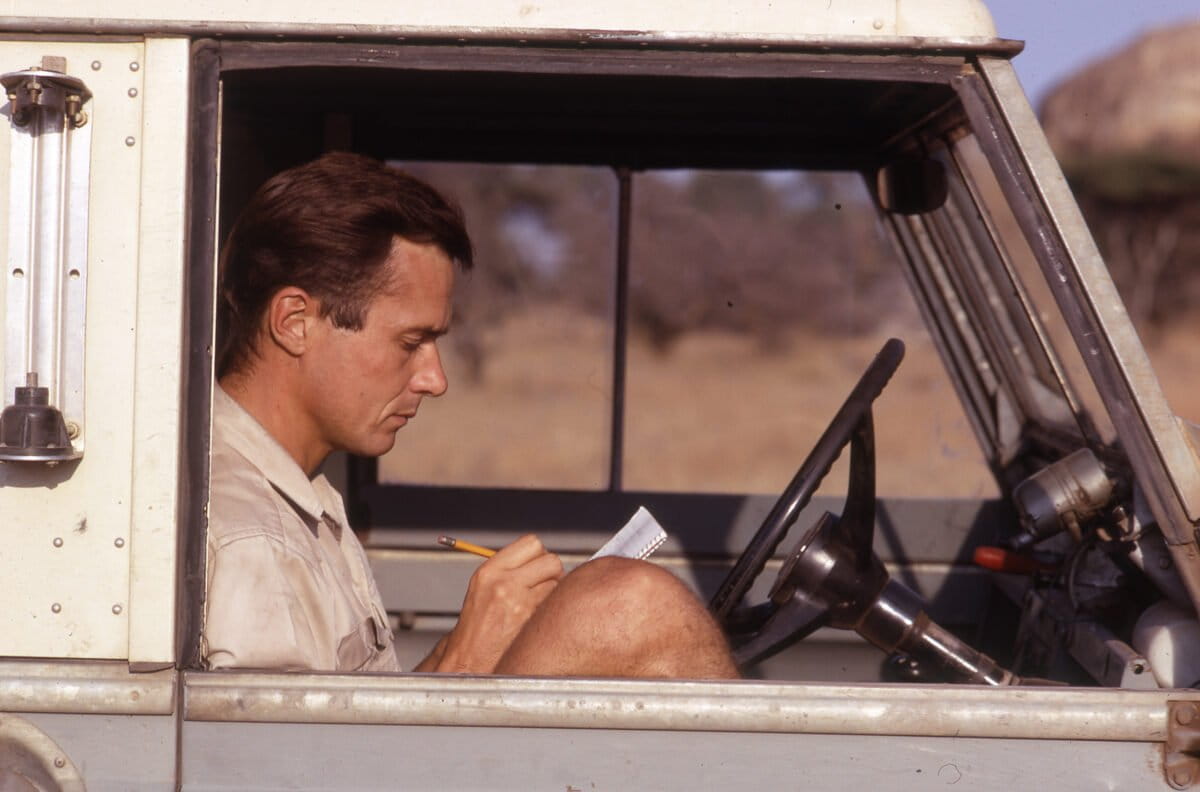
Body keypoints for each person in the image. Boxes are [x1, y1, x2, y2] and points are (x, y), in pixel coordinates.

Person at [202, 152, 738, 678]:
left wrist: (471, 645)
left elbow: (350, 728)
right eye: (411, 342)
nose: (435, 380)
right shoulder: (253, 542)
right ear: (295, 322)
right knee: (633, 604)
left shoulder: (294, 497)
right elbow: (301, 767)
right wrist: (466, 661)